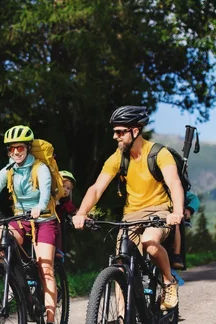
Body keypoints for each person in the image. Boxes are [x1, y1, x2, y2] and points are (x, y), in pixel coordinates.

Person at [72, 105, 183, 311]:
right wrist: (81, 213)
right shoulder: (118, 158)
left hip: (159, 211)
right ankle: (124, 317)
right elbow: (96, 189)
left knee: (149, 242)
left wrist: (176, 212)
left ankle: (169, 282)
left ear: (135, 131)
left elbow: (174, 182)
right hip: (130, 215)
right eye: (114, 132)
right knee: (121, 268)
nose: (115, 136)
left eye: (120, 132)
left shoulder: (159, 153)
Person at [0, 125, 60, 324]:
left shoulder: (39, 168)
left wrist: (40, 207)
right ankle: (13, 282)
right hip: (21, 220)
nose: (16, 152)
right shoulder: (8, 171)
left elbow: (45, 192)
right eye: (11, 148)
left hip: (44, 220)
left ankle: (50, 318)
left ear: (27, 147)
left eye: (20, 148)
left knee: (46, 269)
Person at [170, 190, 201, 270]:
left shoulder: (174, 187)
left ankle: (176, 257)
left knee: (175, 224)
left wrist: (189, 210)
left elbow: (194, 199)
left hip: (171, 218)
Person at [56, 170, 78, 256]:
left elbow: (72, 210)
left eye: (68, 188)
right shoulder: (49, 199)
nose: (65, 190)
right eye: (63, 186)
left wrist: (80, 213)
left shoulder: (65, 202)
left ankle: (58, 252)